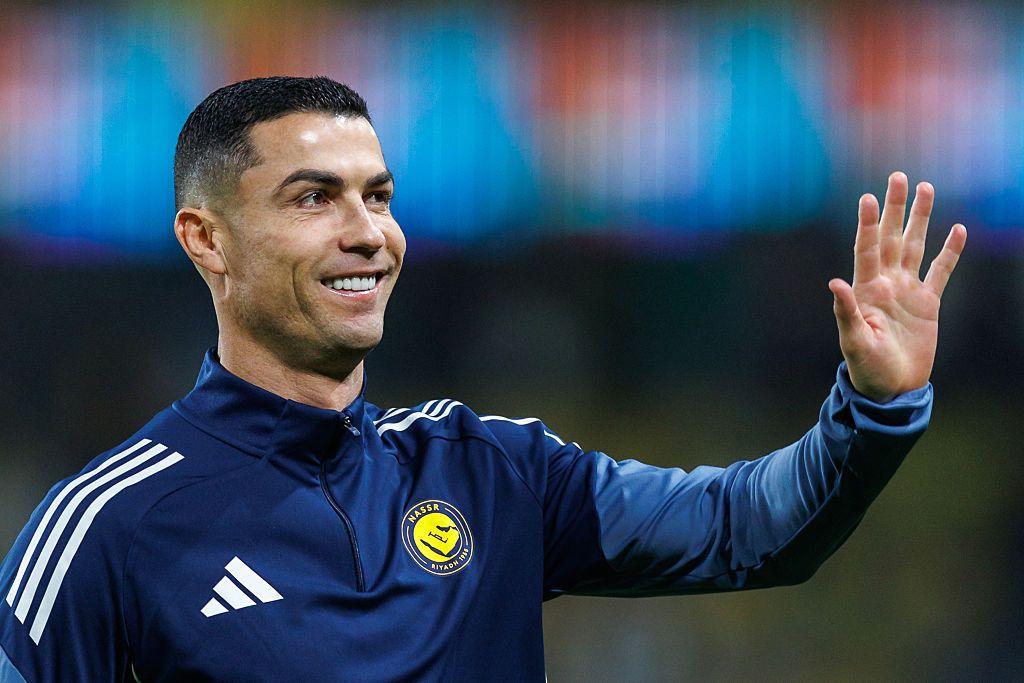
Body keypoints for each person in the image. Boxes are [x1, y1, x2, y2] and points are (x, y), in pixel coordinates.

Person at [0, 76, 966, 682]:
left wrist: (873, 410)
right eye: (313, 198)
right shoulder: (102, 530)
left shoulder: (489, 469)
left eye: (377, 196)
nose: (366, 232)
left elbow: (748, 529)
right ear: (206, 239)